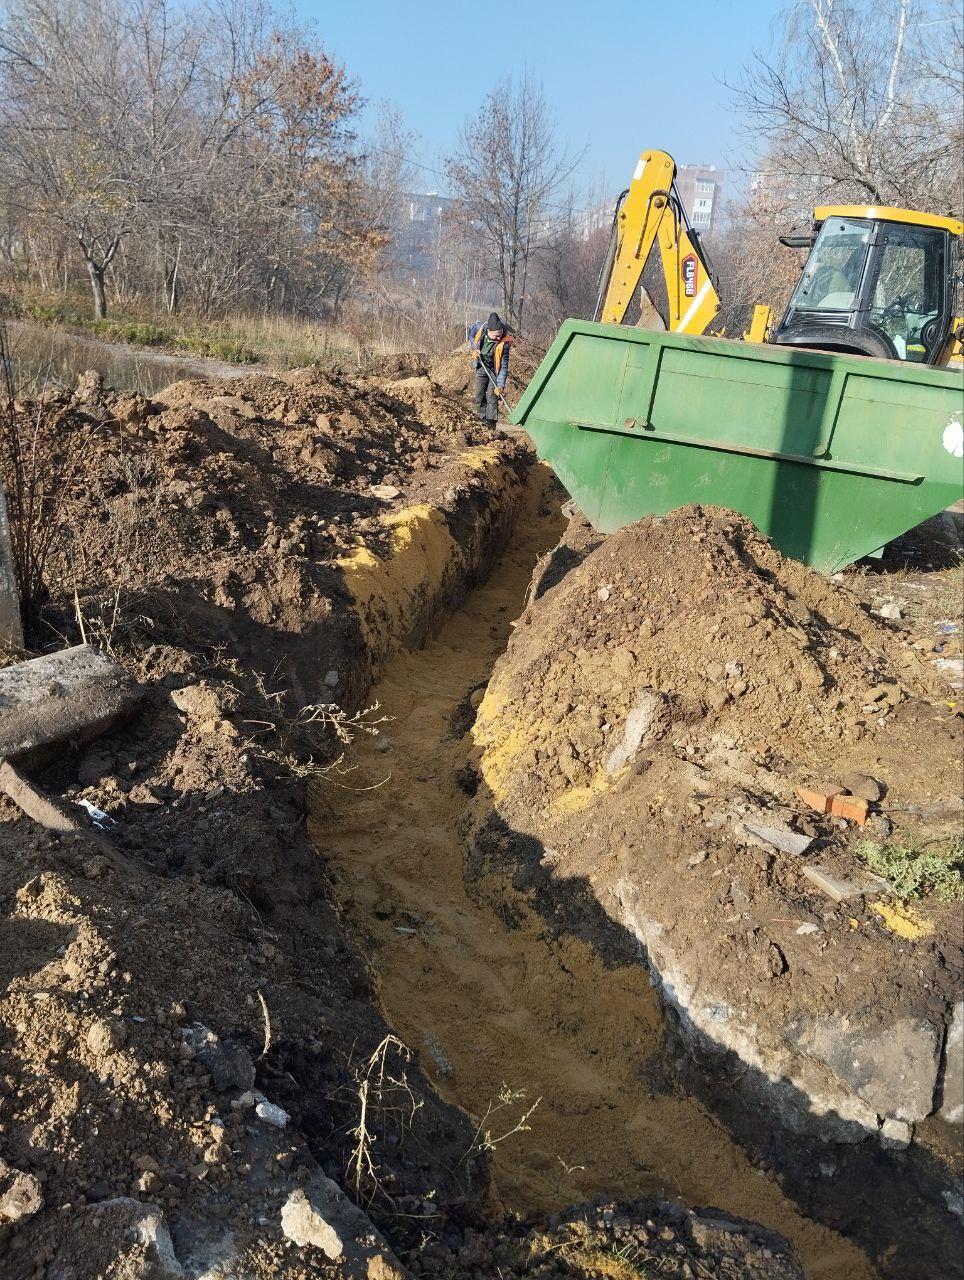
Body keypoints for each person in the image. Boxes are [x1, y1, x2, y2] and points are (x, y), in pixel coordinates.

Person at [467, 312, 511, 423]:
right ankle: (482, 420)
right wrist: (474, 348)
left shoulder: (504, 343)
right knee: (479, 394)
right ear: (489, 331)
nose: (499, 337)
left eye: (500, 334)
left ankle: (491, 423)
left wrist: (500, 385)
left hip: (494, 370)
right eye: (496, 335)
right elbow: (471, 335)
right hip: (481, 366)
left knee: (492, 395)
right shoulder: (480, 328)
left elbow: (504, 366)